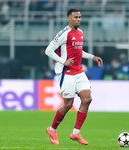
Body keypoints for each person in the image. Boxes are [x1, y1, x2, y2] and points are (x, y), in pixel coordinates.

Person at [45, 8, 103, 145]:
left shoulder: (80, 33)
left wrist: (92, 57)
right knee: (68, 104)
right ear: (69, 18)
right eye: (76, 17)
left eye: (80, 17)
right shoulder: (64, 34)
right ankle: (52, 129)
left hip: (78, 71)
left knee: (87, 99)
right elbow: (48, 50)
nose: (78, 19)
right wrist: (62, 61)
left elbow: (78, 51)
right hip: (66, 72)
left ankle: (76, 133)